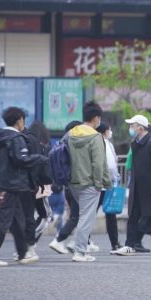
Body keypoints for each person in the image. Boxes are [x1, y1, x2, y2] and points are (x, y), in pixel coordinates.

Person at [0, 107, 49, 266]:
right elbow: (21, 159)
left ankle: (22, 254)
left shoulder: (0, 137)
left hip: (7, 184)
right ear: (19, 120)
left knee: (17, 221)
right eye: (23, 120)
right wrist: (40, 158)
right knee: (4, 220)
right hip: (11, 185)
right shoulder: (16, 138)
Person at [112, 114, 151, 256]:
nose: (130, 128)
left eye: (132, 125)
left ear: (141, 128)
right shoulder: (136, 143)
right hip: (137, 187)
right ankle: (130, 245)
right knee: (134, 216)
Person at [63, 101, 110, 262]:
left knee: (82, 215)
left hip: (72, 182)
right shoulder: (95, 137)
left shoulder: (71, 133)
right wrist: (100, 183)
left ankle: (80, 249)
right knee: (86, 218)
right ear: (96, 118)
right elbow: (99, 163)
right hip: (89, 183)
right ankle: (80, 252)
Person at [48, 120, 82, 255]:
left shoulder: (63, 142)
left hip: (67, 185)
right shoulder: (73, 143)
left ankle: (76, 242)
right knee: (76, 216)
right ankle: (59, 239)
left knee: (77, 215)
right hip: (75, 184)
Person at [23, 121, 53, 250]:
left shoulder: (25, 141)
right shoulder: (41, 144)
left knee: (29, 215)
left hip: (27, 184)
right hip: (39, 186)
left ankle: (28, 242)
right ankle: (29, 241)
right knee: (46, 214)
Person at [93, 123, 121, 252]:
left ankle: (114, 243)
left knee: (107, 214)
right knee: (108, 215)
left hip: (105, 184)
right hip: (104, 185)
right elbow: (110, 165)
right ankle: (114, 243)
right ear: (105, 131)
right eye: (109, 129)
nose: (111, 131)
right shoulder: (103, 144)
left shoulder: (107, 144)